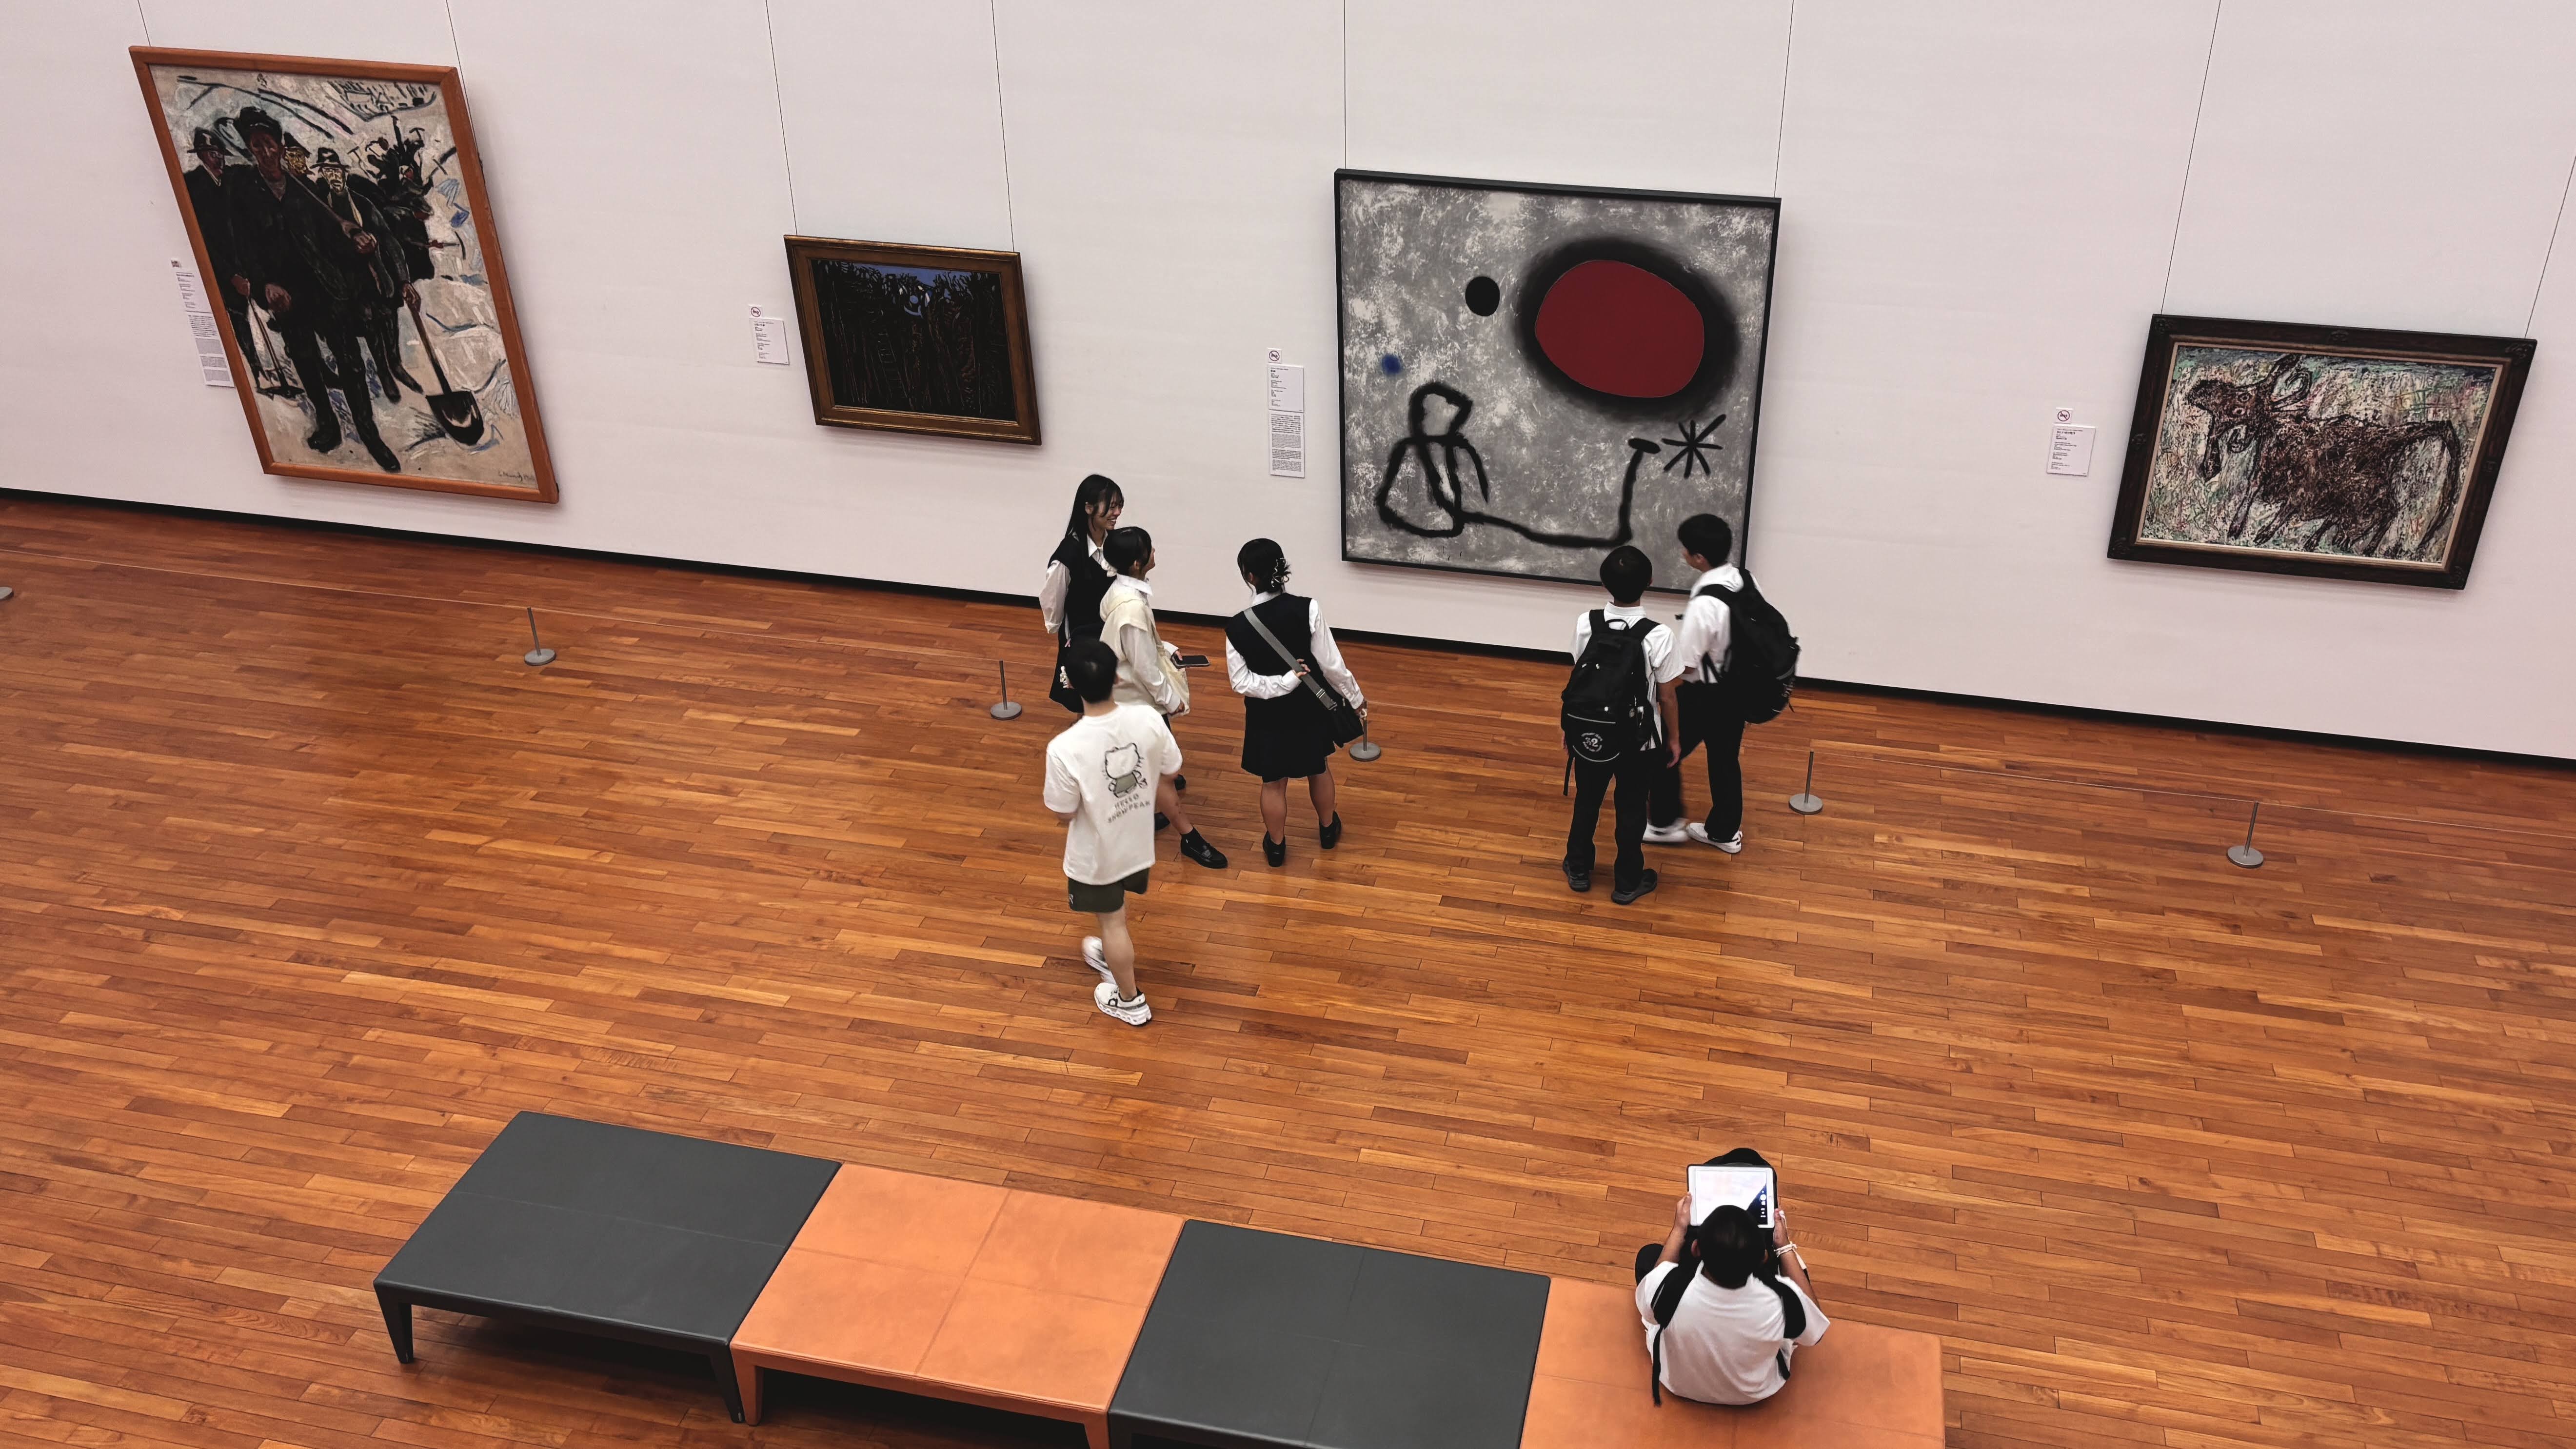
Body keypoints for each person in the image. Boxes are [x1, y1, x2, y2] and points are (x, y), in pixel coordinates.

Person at [223, 107, 402, 473]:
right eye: (256, 146)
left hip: (326, 289)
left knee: (350, 361)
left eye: (269, 144)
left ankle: (369, 433)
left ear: (280, 145)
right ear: (250, 149)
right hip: (286, 296)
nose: (265, 152)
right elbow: (243, 248)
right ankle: (328, 425)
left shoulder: (304, 188)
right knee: (306, 361)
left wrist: (358, 241)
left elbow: (333, 232)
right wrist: (265, 285)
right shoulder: (244, 195)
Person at [1041, 640, 1174, 1026]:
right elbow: (1171, 768)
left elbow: (1064, 811)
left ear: (1070, 685)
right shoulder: (1148, 718)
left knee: (1113, 921)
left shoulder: (1064, 748)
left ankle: (1130, 1000)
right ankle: (1114, 954)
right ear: (1117, 677)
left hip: (1097, 853)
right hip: (1138, 841)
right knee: (1115, 914)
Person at [1635, 1149, 1828, 1405]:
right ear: (1763, 1258)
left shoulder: (1670, 1287)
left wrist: (1679, 1229)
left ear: (1696, 1249)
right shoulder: (1780, 1299)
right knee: (1749, 1156)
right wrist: (1783, 1245)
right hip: (1753, 1393)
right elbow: (1814, 1334)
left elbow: (1651, 1309)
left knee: (1649, 1256)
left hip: (1677, 1383)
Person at [1224, 538, 1365, 867]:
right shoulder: (1308, 608)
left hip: (1266, 714)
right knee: (1319, 768)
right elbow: (1332, 667)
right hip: (1308, 706)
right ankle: (1327, 831)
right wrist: (1356, 698)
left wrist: (1279, 684)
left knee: (1273, 782)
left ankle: (1276, 848)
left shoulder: (1237, 627)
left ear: (1249, 576)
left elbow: (1240, 682)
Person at [1098, 526, 1226, 869]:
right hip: (1136, 703)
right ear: (1137, 563)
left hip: (1130, 698)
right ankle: (1189, 837)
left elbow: (1134, 646)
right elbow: (1144, 667)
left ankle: (1140, 820)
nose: (1155, 552)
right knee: (1162, 772)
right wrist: (1172, 700)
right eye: (1150, 549)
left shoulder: (1121, 592)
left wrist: (1164, 648)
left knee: (1147, 767)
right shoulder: (1132, 609)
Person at [1565, 546, 1683, 904]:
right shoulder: (1659, 636)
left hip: (1591, 732)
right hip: (1638, 739)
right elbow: (1667, 698)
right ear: (1650, 581)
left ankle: (1579, 868)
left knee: (1588, 800)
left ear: (1604, 583)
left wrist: (1573, 732)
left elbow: (1581, 678)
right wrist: (1674, 739)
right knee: (1631, 808)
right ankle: (1628, 882)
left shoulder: (1586, 623)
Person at [1647, 515, 1749, 854]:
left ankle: (1664, 824)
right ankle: (1725, 832)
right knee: (1725, 760)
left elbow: (1687, 664)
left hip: (1705, 694)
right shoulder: (1744, 579)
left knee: (1665, 751)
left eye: (1686, 549)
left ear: (1699, 558)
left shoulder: (1705, 603)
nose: (1683, 553)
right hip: (1738, 687)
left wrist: (1660, 688)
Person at [314, 146, 419, 400]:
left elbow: (389, 241)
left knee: (389, 318)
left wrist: (404, 280)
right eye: (328, 172)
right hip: (351, 284)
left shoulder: (362, 203)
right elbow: (323, 249)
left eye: (337, 171)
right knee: (370, 325)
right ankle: (384, 372)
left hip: (378, 277)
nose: (334, 176)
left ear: (344, 173)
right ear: (323, 175)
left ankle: (396, 365)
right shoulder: (322, 211)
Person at [1040, 474, 1122, 714]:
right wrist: (1059, 629)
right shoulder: (1069, 553)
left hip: (1111, 630)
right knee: (1086, 691)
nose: (1117, 513)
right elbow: (1053, 599)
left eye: (1119, 506)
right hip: (1082, 634)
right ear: (1088, 508)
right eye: (1111, 507)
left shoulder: (1115, 543)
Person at [181, 129, 260, 373]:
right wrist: (230, 274)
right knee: (232, 319)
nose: (219, 159)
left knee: (243, 316)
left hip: (238, 265)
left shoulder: (228, 182)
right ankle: (253, 369)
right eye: (212, 154)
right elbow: (202, 237)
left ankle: (256, 367)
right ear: (201, 155)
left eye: (220, 153)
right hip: (216, 268)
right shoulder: (193, 185)